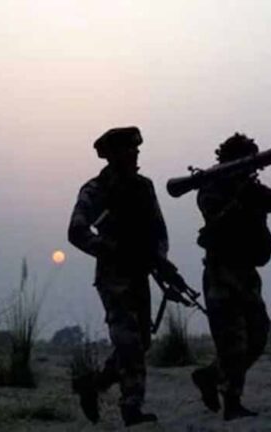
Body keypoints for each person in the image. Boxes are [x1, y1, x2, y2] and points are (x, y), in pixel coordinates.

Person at [68, 126, 168, 427]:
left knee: (141, 342)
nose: (135, 153)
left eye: (136, 148)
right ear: (113, 154)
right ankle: (132, 408)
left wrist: (158, 259)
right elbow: (76, 231)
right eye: (129, 149)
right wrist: (110, 249)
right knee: (130, 342)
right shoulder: (96, 189)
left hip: (140, 273)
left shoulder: (144, 187)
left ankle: (94, 384)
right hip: (113, 277)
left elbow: (158, 230)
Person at [191, 133, 271, 420]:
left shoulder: (251, 188)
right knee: (233, 341)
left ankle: (211, 376)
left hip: (247, 272)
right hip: (221, 271)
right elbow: (214, 217)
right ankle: (232, 401)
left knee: (257, 336)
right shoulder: (212, 186)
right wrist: (237, 196)